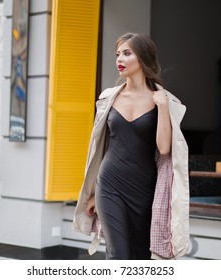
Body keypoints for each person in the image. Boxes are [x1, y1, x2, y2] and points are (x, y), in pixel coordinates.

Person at [73, 32, 190, 260]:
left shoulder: (163, 100)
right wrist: (93, 193)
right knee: (119, 254)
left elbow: (164, 148)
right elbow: (100, 148)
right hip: (109, 185)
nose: (120, 59)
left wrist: (163, 107)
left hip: (145, 189)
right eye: (118, 54)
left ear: (143, 58)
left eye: (127, 53)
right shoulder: (108, 98)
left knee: (141, 255)